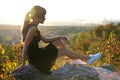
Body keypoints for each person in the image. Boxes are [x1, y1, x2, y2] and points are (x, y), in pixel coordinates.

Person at [12, 5, 101, 75]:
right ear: (37, 17)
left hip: (37, 56)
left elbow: (46, 40)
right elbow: (25, 46)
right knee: (64, 51)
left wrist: (59, 37)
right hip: (38, 60)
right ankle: (89, 58)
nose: (45, 18)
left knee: (59, 42)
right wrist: (23, 63)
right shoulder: (33, 29)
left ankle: (76, 59)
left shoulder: (31, 26)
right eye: (43, 17)